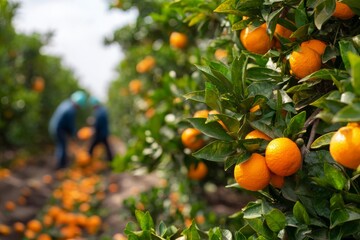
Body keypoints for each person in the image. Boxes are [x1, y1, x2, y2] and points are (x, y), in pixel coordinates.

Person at [49, 90, 87, 169]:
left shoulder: (66, 103)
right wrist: (74, 135)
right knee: (62, 146)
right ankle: (61, 166)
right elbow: (70, 125)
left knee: (61, 145)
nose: (78, 108)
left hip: (54, 126)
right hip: (59, 129)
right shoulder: (71, 110)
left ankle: (60, 163)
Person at [88, 96, 113, 162]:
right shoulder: (102, 110)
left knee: (92, 146)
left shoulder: (99, 112)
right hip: (103, 133)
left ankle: (88, 159)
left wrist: (93, 128)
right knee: (107, 147)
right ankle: (111, 160)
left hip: (100, 134)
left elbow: (98, 123)